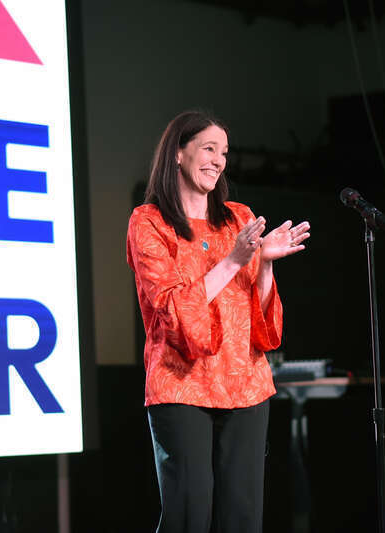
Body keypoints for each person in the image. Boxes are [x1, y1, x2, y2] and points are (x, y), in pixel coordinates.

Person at [126, 110, 310, 533]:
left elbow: (260, 322)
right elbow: (172, 310)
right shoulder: (150, 222)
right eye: (209, 148)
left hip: (245, 385)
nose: (218, 160)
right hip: (181, 385)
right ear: (177, 153)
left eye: (224, 152)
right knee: (189, 513)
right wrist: (233, 260)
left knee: (242, 517)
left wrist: (264, 263)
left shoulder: (239, 217)